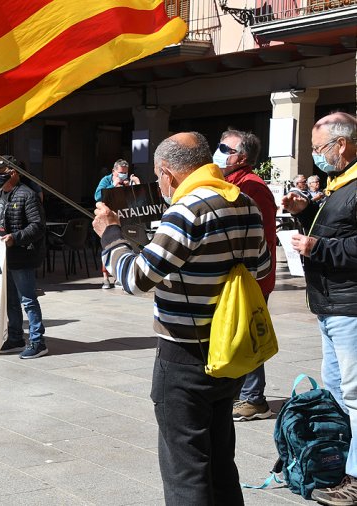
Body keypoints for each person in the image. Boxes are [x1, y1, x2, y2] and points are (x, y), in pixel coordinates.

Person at [92, 132, 270, 504]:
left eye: (159, 178)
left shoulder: (187, 209)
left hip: (185, 355)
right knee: (221, 461)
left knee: (185, 470)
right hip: (231, 351)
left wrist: (111, 235)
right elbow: (262, 266)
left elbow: (137, 279)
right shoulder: (245, 203)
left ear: (168, 173)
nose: (160, 184)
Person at [282, 112, 357, 506]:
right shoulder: (337, 185)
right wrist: (304, 213)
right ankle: (341, 463)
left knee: (356, 394)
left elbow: (345, 244)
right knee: (338, 392)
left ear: (341, 144)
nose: (316, 157)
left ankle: (356, 478)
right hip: (330, 305)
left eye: (319, 148)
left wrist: (318, 248)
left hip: (350, 307)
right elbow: (336, 230)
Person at [213, 129, 278, 422]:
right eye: (220, 147)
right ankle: (243, 393)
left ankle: (254, 399)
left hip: (250, 276)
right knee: (237, 332)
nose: (220, 153)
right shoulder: (230, 183)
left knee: (247, 332)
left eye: (227, 149)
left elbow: (258, 237)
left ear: (244, 157)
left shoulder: (253, 187)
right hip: (236, 275)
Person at [0, 157, 48, 359]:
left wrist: (15, 238)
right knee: (10, 300)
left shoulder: (28, 195)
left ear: (14, 172)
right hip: (4, 257)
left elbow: (37, 226)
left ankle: (38, 341)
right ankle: (16, 337)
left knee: (27, 299)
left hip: (22, 256)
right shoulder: (1, 193)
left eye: (1, 170)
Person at [94, 159, 140, 288]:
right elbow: (98, 196)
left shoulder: (128, 181)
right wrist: (113, 186)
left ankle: (119, 275)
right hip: (109, 219)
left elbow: (137, 198)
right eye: (121, 173)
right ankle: (105, 277)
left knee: (124, 244)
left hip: (125, 218)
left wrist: (134, 184)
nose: (123, 175)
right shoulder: (106, 180)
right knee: (108, 245)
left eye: (125, 173)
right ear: (114, 171)